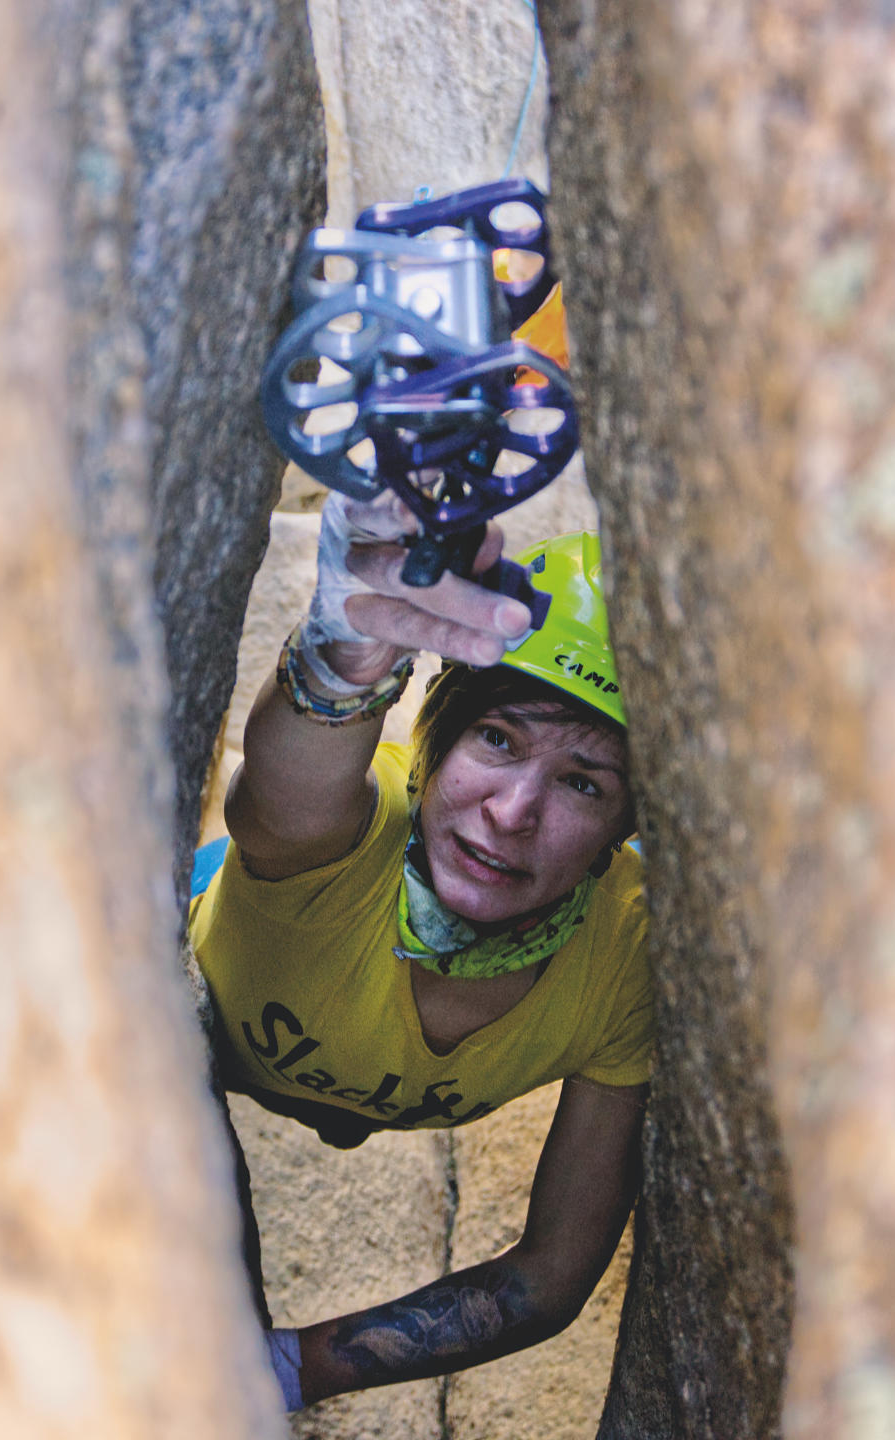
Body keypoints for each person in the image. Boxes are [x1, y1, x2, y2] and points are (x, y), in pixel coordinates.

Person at [188, 493, 653, 1410]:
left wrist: (284, 1370)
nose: (513, 812)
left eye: (583, 782)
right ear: (431, 742)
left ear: (624, 830)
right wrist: (341, 656)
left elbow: (548, 1275)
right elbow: (283, 798)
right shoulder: (358, 829)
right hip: (194, 1009)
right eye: (496, 737)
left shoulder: (627, 953)